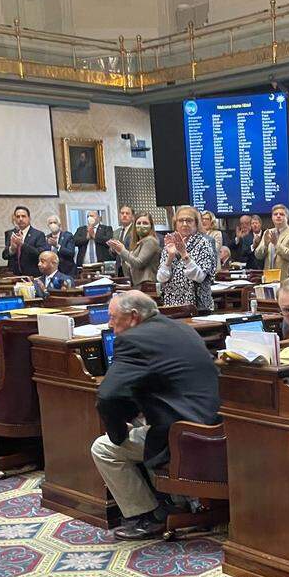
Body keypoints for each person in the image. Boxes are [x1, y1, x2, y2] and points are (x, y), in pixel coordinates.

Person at [91, 290, 221, 541]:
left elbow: (107, 397)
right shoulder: (183, 329)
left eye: (112, 317)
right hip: (216, 426)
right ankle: (176, 499)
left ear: (133, 317)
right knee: (140, 421)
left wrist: (119, 435)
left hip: (185, 438)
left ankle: (149, 517)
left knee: (103, 448)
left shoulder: (131, 340)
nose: (109, 325)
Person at [157, 205, 218, 313]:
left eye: (189, 220)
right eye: (181, 220)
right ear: (176, 223)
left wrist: (184, 254)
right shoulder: (170, 241)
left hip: (198, 306)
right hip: (172, 306)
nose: (184, 224)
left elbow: (199, 277)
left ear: (196, 223)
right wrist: (170, 257)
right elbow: (161, 278)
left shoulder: (204, 243)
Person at [112, 213, 161, 284]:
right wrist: (120, 252)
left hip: (147, 284)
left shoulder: (150, 240)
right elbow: (132, 265)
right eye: (138, 223)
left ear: (151, 226)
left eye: (145, 223)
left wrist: (123, 250)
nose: (141, 226)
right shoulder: (139, 242)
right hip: (138, 284)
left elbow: (139, 263)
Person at [254, 204, 289, 273]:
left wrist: (276, 244)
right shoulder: (268, 232)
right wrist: (266, 245)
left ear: (287, 217)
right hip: (268, 278)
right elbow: (258, 255)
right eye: (275, 214)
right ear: (272, 218)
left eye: (281, 214)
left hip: (286, 279)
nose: (278, 216)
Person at [4, 206, 48, 277]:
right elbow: (5, 256)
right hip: (14, 275)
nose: (20, 219)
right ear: (15, 219)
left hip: (32, 275)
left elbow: (40, 255)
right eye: (18, 217)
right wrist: (12, 249)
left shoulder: (38, 234)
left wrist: (22, 244)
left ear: (29, 218)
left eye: (23, 216)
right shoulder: (10, 233)